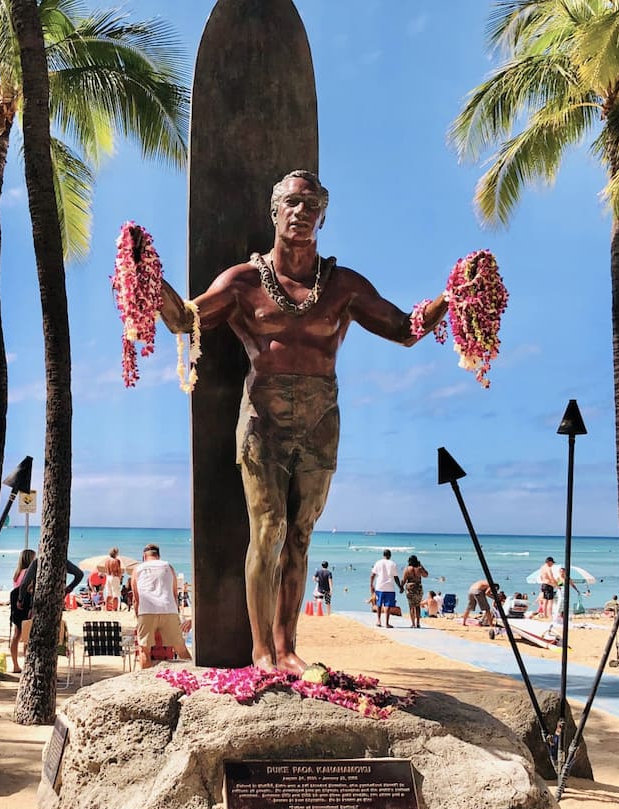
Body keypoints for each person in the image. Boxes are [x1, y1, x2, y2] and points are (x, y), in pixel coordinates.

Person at [157, 170, 448, 672]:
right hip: (263, 415)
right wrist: (145, 275)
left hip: (321, 417)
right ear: (275, 211)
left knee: (300, 535)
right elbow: (185, 319)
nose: (301, 212)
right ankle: (261, 652)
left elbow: (405, 329)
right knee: (268, 529)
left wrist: (454, 293)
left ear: (323, 218)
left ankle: (287, 647)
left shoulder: (343, 286)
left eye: (312, 205)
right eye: (292, 203)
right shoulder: (244, 281)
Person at [131, 543, 191, 670]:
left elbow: (136, 598)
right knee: (180, 648)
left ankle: (146, 679)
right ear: (158, 556)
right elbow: (174, 594)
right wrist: (176, 613)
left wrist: (138, 617)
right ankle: (193, 674)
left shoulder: (138, 569)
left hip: (146, 611)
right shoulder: (168, 566)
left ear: (144, 556)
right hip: (169, 609)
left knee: (144, 650)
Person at [9, 548, 36, 673]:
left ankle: (15, 664)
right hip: (24, 604)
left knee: (17, 635)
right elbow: (28, 588)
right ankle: (26, 663)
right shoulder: (28, 572)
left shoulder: (17, 573)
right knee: (27, 635)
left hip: (16, 606)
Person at [370, 549, 401, 628]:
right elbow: (396, 577)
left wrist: (371, 584)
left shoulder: (378, 562)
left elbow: (372, 575)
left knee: (379, 604)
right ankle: (387, 623)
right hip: (390, 587)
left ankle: (379, 621)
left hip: (380, 586)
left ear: (383, 555)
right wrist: (400, 587)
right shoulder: (393, 564)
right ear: (390, 555)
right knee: (388, 605)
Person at [400, 554, 428, 628]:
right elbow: (426, 575)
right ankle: (418, 623)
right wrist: (421, 565)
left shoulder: (407, 569)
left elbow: (404, 580)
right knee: (418, 606)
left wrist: (401, 587)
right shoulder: (419, 568)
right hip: (418, 587)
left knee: (411, 606)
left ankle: (413, 624)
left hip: (410, 588)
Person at [104, 548, 122, 612]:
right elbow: (118, 570)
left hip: (108, 576)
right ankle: (114, 609)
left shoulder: (107, 560)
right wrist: (120, 577)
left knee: (109, 594)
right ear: (116, 553)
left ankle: (107, 608)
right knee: (115, 594)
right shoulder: (116, 560)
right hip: (114, 577)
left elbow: (105, 569)